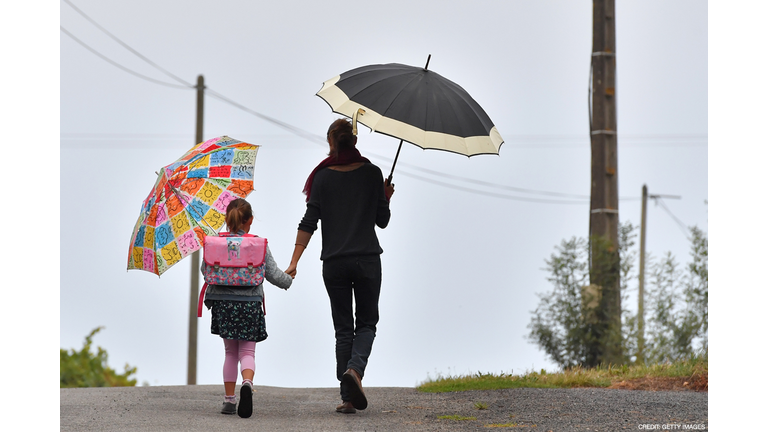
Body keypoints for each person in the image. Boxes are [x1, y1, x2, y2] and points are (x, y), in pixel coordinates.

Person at [285, 118, 394, 414]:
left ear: (332, 142)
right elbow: (381, 221)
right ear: (354, 142)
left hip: (334, 262)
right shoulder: (373, 173)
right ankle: (355, 371)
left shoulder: (321, 178)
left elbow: (309, 222)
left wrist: (294, 261)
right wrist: (384, 196)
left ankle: (348, 397)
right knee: (367, 323)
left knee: (343, 329)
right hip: (367, 259)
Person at [201, 198, 293, 418]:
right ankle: (248, 383)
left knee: (230, 352)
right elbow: (273, 275)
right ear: (249, 220)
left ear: (227, 219)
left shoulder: (214, 243)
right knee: (248, 351)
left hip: (223, 305)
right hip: (250, 304)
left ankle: (229, 400)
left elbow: (206, 272)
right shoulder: (257, 243)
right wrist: (288, 279)